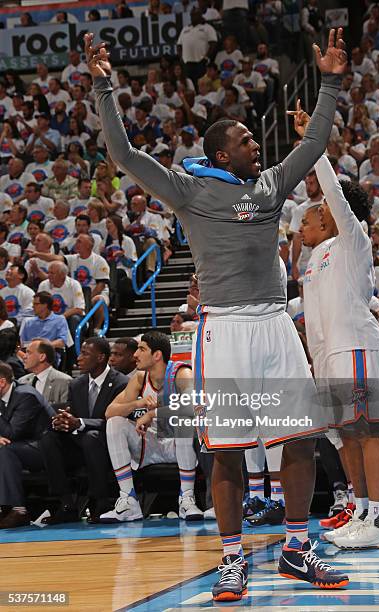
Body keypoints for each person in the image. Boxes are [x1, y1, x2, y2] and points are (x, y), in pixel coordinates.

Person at [86, 28, 349, 597]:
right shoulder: (187, 190)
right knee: (227, 452)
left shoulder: (272, 184)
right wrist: (105, 88)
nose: (260, 146)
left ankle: (297, 549)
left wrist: (329, 80)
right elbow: (123, 154)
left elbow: (315, 144)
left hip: (277, 324)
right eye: (249, 141)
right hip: (224, 329)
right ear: (222, 153)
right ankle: (233, 559)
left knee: (297, 440)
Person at [292, 105, 379, 549]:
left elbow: (333, 189)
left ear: (333, 215)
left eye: (313, 213)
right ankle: (359, 507)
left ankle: (378, 517)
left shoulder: (353, 236)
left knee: (367, 428)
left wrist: (312, 143)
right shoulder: (315, 258)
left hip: (353, 344)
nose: (305, 221)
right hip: (328, 353)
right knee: (346, 433)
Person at [100, 331, 202, 523]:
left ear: (157, 355)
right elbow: (109, 411)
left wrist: (152, 413)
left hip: (177, 444)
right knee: (115, 422)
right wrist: (137, 405)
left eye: (141, 349)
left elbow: (191, 407)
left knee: (184, 421)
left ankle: (187, 498)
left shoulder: (182, 373)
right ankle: (128, 499)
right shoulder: (140, 378)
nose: (135, 355)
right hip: (148, 445)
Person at [39, 337, 128, 524]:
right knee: (48, 438)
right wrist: (62, 421)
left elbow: (117, 421)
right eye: (80, 353)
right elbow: (73, 414)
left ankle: (101, 502)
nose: (79, 358)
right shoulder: (76, 384)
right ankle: (66, 503)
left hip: (108, 445)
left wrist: (79, 422)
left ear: (101, 357)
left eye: (85, 354)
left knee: (91, 437)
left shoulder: (121, 383)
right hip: (82, 444)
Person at [0, 361, 54, 529]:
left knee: (5, 450)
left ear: (1, 382)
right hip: (22, 446)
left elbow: (12, 434)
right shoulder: (5, 396)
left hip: (46, 448)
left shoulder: (25, 395)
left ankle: (18, 510)